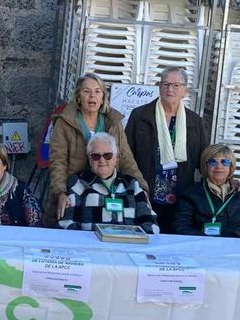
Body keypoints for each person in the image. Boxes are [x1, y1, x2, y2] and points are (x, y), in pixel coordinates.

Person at [48, 73, 146, 225]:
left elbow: (126, 158)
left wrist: (142, 188)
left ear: (103, 97)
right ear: (78, 97)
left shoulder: (113, 122)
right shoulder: (64, 123)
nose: (92, 96)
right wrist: (61, 192)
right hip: (76, 190)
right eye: (86, 91)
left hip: (108, 190)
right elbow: (57, 161)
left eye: (97, 91)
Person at [125, 67, 207, 233]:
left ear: (184, 90)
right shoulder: (140, 116)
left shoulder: (195, 122)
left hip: (181, 198)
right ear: (159, 87)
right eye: (166, 84)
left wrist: (229, 181)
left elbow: (205, 160)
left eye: (176, 85)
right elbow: (126, 156)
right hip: (145, 194)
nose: (170, 89)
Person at [58, 132, 159, 233]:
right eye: (96, 156)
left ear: (115, 158)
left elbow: (149, 221)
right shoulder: (79, 184)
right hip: (92, 245)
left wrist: (138, 241)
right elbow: (67, 222)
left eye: (107, 155)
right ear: (89, 159)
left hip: (127, 246)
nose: (102, 160)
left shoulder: (132, 185)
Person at [173, 144, 240, 239]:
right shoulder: (190, 195)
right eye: (213, 162)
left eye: (225, 162)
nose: (219, 166)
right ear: (205, 166)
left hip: (239, 251)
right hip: (205, 250)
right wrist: (212, 244)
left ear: (231, 167)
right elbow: (180, 227)